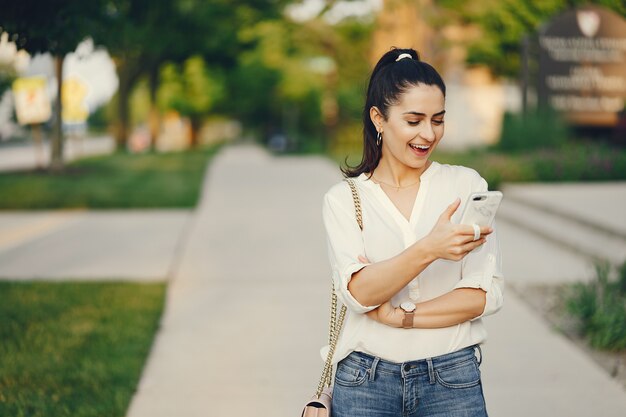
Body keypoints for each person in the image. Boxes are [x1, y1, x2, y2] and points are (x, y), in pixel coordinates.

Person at [322, 48, 504, 416]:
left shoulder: (465, 185)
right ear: (379, 118)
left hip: (452, 378)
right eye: (414, 120)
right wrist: (431, 248)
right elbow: (359, 293)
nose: (428, 133)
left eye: (438, 120)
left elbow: (484, 295)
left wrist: (399, 315)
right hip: (364, 382)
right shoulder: (345, 199)